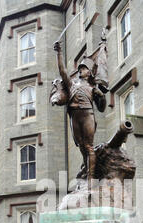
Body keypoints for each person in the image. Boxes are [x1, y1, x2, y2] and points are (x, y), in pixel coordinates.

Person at [53, 41, 106, 181]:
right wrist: (59, 52)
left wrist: (102, 96)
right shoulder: (72, 84)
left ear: (89, 72)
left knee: (89, 147)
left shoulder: (93, 87)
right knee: (82, 147)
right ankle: (86, 166)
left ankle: (91, 177)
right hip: (74, 116)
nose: (80, 70)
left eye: (83, 68)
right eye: (80, 68)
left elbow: (102, 107)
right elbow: (63, 71)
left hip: (88, 114)